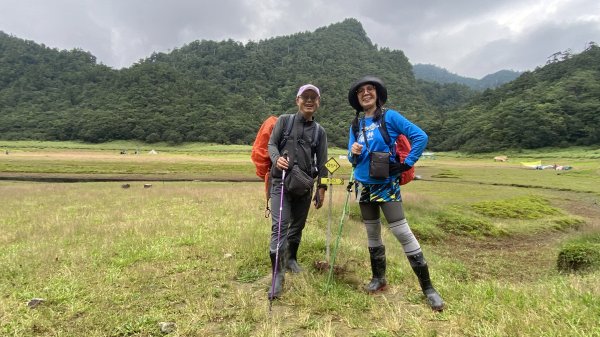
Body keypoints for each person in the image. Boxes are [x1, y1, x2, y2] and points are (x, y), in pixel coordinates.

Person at [347, 76, 444, 311]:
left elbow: (421, 136)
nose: (365, 93)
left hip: (386, 184)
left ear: (377, 94)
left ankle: (428, 288)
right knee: (372, 233)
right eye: (361, 91)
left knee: (402, 232)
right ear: (357, 99)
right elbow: (352, 159)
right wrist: (353, 151)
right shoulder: (355, 125)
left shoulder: (390, 117)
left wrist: (406, 164)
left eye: (370, 89)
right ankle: (379, 279)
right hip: (363, 184)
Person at [267, 84, 328, 299]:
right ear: (297, 100)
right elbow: (272, 145)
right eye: (305, 97)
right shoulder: (284, 121)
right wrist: (277, 159)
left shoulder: (320, 132)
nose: (309, 101)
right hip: (281, 183)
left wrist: (322, 188)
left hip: (304, 186)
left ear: (318, 102)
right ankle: (277, 274)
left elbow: (323, 163)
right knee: (280, 226)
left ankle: (291, 259)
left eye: (314, 98)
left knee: (298, 226)